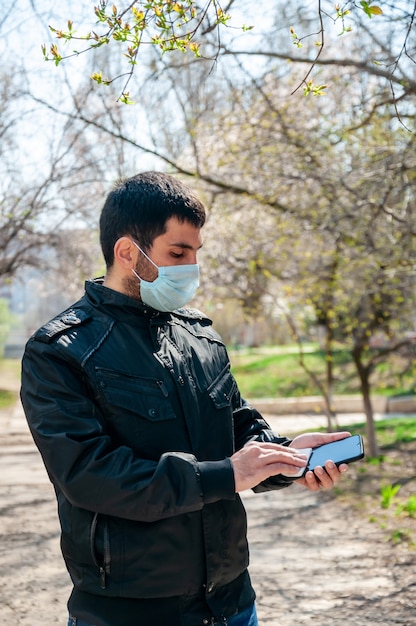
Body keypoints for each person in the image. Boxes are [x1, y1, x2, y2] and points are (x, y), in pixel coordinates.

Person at [20, 171, 350, 626]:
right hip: (131, 612)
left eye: (195, 252)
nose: (191, 266)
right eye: (178, 252)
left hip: (232, 603)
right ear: (127, 252)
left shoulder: (201, 336)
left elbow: (239, 429)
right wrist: (227, 475)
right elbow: (89, 475)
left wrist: (287, 458)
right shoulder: (59, 351)